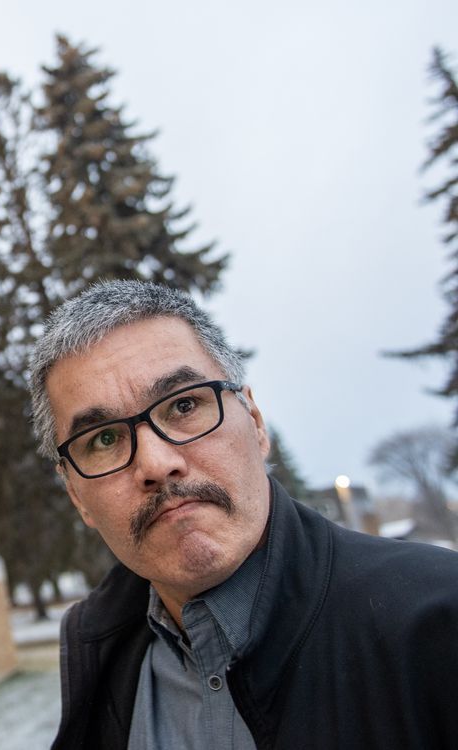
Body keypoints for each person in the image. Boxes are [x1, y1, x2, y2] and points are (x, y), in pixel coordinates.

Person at [28, 280, 458, 750]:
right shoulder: (99, 660)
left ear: (254, 421)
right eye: (104, 440)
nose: (155, 463)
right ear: (77, 496)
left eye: (184, 405)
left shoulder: (436, 622)